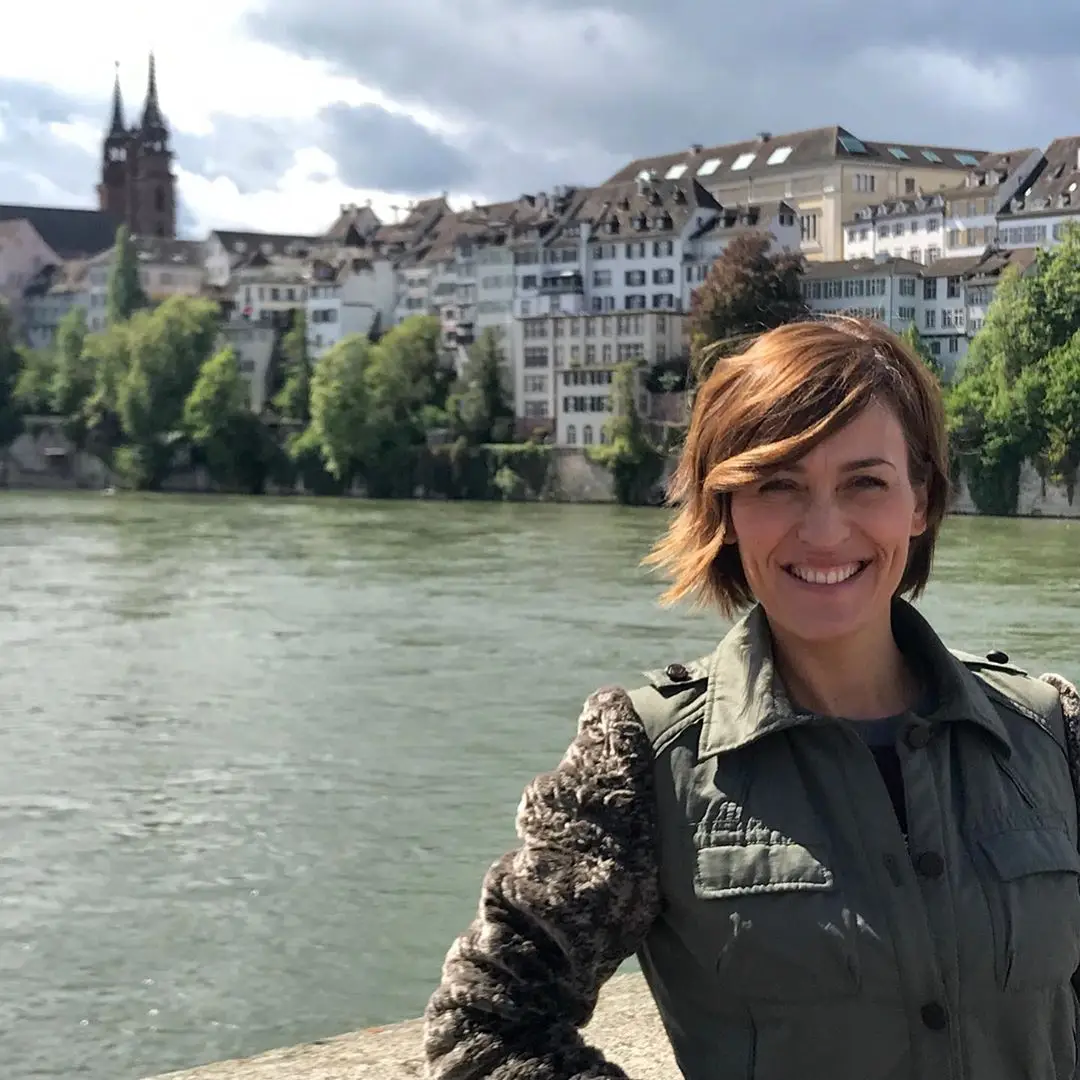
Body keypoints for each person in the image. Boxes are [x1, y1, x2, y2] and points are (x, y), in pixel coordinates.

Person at [423, 316, 1080, 1080]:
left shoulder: (1049, 733)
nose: (824, 531)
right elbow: (485, 1026)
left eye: (865, 482)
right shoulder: (644, 760)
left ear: (922, 500)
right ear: (726, 509)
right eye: (778, 485)